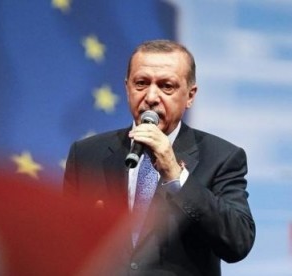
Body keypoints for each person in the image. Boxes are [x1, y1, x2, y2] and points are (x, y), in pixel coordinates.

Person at [63, 39, 255, 276]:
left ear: (190, 95)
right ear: (127, 87)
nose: (151, 97)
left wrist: (177, 176)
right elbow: (64, 244)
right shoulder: (86, 154)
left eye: (167, 86)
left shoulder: (221, 157)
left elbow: (237, 243)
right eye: (141, 83)